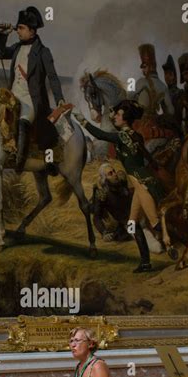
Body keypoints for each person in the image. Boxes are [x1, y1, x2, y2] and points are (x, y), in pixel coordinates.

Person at [75, 99, 166, 272]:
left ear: (124, 119)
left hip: (140, 183)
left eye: (118, 114)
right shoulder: (135, 135)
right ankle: (146, 263)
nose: (114, 116)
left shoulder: (122, 136)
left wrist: (83, 121)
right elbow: (147, 156)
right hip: (144, 180)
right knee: (132, 224)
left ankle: (171, 241)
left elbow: (101, 135)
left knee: (156, 223)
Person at [0, 5, 65, 173]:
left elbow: (53, 77)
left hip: (32, 100)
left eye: (21, 28)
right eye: (18, 27)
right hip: (13, 97)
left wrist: (60, 98)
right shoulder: (17, 48)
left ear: (32, 31)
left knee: (23, 122)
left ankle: (18, 161)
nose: (17, 31)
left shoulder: (43, 52)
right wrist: (2, 34)